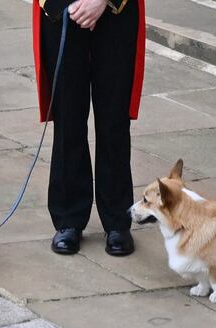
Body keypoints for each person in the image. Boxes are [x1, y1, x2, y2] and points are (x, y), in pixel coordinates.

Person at [32, 0, 145, 256]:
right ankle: (68, 218)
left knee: (114, 119)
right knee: (67, 118)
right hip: (61, 9)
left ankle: (117, 220)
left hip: (117, 10)